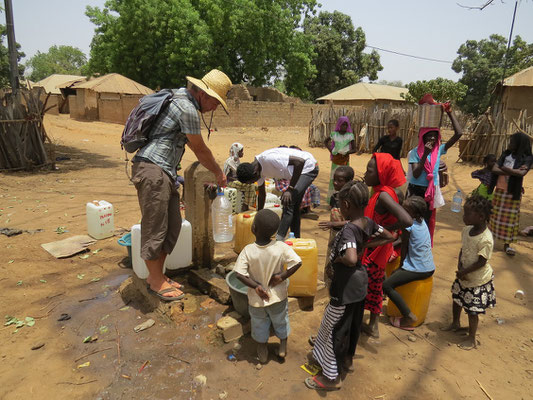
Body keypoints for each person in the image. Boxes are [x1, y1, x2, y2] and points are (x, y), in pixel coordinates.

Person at [131, 69, 232, 301]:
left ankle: (158, 275)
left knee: (173, 225)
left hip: (165, 171)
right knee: (155, 226)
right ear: (203, 95)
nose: (215, 107)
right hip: (153, 169)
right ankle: (155, 280)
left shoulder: (180, 100)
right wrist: (218, 172)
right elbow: (199, 149)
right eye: (216, 102)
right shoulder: (187, 108)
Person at [305, 181, 394, 391]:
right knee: (352, 326)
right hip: (360, 284)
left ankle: (331, 377)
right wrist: (366, 244)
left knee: (335, 328)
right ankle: (347, 361)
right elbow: (389, 236)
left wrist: (340, 260)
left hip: (345, 286)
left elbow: (352, 258)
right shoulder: (368, 222)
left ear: (346, 204)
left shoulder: (348, 232)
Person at [234, 209, 302, 363]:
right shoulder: (280, 247)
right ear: (275, 231)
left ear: (253, 228)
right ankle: (283, 345)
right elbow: (297, 262)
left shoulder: (248, 251)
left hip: (257, 300)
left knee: (259, 323)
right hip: (278, 297)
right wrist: (281, 277)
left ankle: (262, 348)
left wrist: (256, 286)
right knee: (280, 319)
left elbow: (239, 274)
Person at [362, 153, 413, 338]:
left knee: (367, 285)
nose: (365, 174)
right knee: (376, 285)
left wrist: (382, 229)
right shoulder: (381, 192)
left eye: (369, 171)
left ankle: (367, 324)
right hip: (379, 249)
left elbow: (406, 220)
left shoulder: (384, 195)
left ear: (381, 174)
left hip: (375, 250)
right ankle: (372, 324)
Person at [442, 195, 495, 350]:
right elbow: (463, 249)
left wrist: (465, 271)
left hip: (477, 279)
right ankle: (455, 323)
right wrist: (460, 267)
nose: (464, 216)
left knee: (473, 309)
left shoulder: (486, 239)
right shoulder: (466, 231)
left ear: (481, 217)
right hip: (463, 274)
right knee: (457, 299)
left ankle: (471, 338)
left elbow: (481, 262)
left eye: (467, 214)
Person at [406, 105, 463, 243]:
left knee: (425, 221)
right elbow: (417, 173)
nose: (431, 138)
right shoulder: (415, 152)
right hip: (416, 190)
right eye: (429, 136)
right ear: (423, 137)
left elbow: (459, 134)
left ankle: (422, 246)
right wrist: (425, 154)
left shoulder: (439, 150)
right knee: (412, 220)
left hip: (430, 191)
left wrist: (450, 113)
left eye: (434, 135)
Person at [236, 147, 319, 241]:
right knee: (294, 209)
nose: (253, 182)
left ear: (255, 173)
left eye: (251, 181)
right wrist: (258, 217)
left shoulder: (268, 159)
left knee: (289, 201)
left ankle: (279, 239)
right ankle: (296, 239)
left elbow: (299, 162)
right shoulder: (256, 171)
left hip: (308, 167)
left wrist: (290, 189)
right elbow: (262, 195)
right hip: (297, 173)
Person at [383, 196, 435, 330]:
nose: (402, 212)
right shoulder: (421, 222)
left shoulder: (408, 227)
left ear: (415, 214)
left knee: (387, 285)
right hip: (428, 266)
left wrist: (400, 269)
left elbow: (404, 246)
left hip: (417, 268)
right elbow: (401, 239)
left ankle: (408, 315)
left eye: (405, 210)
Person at [488, 132, 532, 256]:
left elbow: (521, 174)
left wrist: (505, 169)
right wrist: (512, 171)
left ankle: (507, 245)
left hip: (513, 192)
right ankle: (490, 240)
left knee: (510, 220)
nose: (509, 144)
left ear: (519, 144)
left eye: (512, 142)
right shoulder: (506, 154)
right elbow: (494, 169)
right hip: (500, 190)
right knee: (494, 217)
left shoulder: (527, 158)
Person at [319, 165, 355, 289]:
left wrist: (334, 224)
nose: (335, 183)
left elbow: (355, 222)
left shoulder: (351, 199)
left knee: (340, 265)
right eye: (334, 179)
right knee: (330, 264)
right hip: (334, 236)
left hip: (346, 238)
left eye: (340, 181)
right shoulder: (335, 197)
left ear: (349, 182)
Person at [325, 116, 356, 202]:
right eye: (343, 125)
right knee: (334, 179)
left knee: (344, 179)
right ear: (339, 125)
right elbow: (325, 141)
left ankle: (344, 199)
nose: (344, 127)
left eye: (346, 125)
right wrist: (331, 150)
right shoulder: (334, 134)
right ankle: (333, 200)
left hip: (345, 160)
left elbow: (354, 149)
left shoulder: (350, 136)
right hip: (336, 159)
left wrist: (347, 152)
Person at [225, 143, 256, 211]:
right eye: (241, 151)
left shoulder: (236, 161)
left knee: (255, 185)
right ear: (236, 151)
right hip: (230, 182)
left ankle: (249, 204)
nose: (242, 153)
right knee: (250, 186)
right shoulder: (230, 161)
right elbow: (237, 174)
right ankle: (245, 206)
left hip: (237, 181)